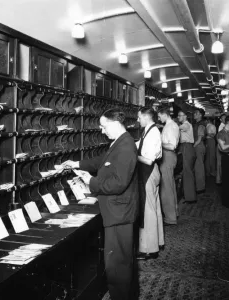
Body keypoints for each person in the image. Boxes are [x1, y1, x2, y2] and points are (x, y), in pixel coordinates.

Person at [62, 108, 138, 300]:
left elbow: (118, 184)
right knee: (118, 263)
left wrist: (90, 182)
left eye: (104, 127)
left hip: (120, 213)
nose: (102, 131)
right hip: (117, 210)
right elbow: (102, 162)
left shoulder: (126, 146)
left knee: (117, 266)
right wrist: (76, 163)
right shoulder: (120, 142)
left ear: (114, 124)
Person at [136, 107, 164, 260]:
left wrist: (133, 155)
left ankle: (150, 250)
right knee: (155, 208)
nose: (137, 120)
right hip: (151, 172)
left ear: (146, 117)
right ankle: (157, 242)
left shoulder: (153, 133)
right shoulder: (148, 130)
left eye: (139, 117)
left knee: (148, 211)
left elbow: (147, 159)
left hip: (149, 172)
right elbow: (138, 144)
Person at [158, 107, 180, 225]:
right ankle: (173, 213)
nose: (159, 118)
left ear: (164, 114)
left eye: (159, 116)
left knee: (166, 188)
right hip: (169, 157)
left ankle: (170, 218)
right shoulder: (171, 125)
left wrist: (158, 141)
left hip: (168, 156)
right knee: (170, 186)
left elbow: (171, 146)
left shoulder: (170, 126)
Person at [178, 110, 197, 203]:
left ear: (185, 116)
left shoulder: (186, 124)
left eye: (179, 116)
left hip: (187, 148)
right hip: (187, 148)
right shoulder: (187, 124)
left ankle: (190, 198)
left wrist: (164, 126)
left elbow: (177, 128)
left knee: (187, 172)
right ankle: (189, 196)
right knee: (187, 172)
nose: (178, 117)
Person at [193, 108, 206, 193]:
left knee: (199, 167)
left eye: (196, 113)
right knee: (198, 166)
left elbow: (199, 139)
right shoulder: (197, 123)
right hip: (198, 146)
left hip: (198, 146)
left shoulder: (201, 124)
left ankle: (200, 188)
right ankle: (199, 186)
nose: (194, 114)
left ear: (200, 115)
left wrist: (193, 146)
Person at [216, 113, 226, 184]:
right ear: (221, 119)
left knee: (221, 163)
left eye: (226, 118)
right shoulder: (221, 127)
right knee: (219, 163)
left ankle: (220, 179)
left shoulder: (224, 126)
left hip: (222, 146)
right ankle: (219, 180)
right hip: (221, 146)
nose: (225, 119)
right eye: (223, 118)